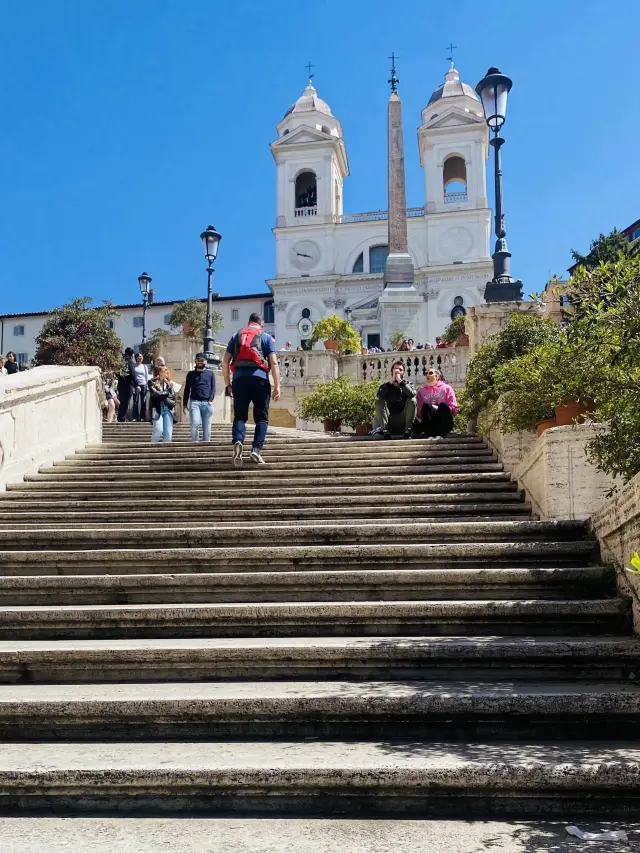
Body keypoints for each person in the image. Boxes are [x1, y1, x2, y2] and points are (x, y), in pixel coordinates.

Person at [222, 312, 281, 466]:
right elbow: (274, 363)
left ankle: (239, 441)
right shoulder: (266, 337)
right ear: (261, 324)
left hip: (239, 379)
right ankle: (256, 450)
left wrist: (228, 384)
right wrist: (277, 385)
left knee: (240, 416)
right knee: (261, 418)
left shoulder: (237, 335)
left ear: (248, 323)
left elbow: (225, 361)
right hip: (260, 379)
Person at [373, 360, 416, 439]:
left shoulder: (409, 384)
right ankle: (385, 432)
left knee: (412, 400)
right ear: (391, 371)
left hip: (404, 421)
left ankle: (408, 432)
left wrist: (400, 382)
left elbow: (412, 394)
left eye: (400, 370)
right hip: (389, 422)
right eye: (395, 369)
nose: (398, 371)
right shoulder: (385, 386)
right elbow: (379, 397)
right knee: (379, 402)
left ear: (404, 373)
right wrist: (391, 383)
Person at [415, 368, 458, 440]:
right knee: (426, 406)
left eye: (430, 373)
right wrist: (431, 408)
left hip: (444, 423)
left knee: (443, 405)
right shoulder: (421, 392)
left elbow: (454, 409)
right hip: (429, 424)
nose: (427, 375)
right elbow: (419, 414)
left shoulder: (447, 388)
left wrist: (438, 408)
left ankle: (440, 434)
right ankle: (430, 435)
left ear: (437, 376)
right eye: (426, 374)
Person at [183, 353, 215, 442]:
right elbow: (187, 389)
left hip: (207, 402)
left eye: (202, 360)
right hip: (195, 402)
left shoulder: (211, 373)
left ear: (206, 362)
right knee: (195, 423)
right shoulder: (190, 374)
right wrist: (184, 404)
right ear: (195, 361)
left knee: (207, 428)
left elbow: (213, 388)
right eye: (198, 360)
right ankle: (195, 444)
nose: (200, 362)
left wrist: (211, 399)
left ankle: (206, 446)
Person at [148, 362, 176, 443]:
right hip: (157, 409)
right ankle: (152, 448)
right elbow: (155, 394)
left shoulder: (169, 384)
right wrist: (166, 393)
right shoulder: (151, 382)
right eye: (165, 370)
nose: (167, 372)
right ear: (160, 372)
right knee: (158, 430)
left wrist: (165, 393)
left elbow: (173, 398)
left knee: (168, 435)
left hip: (168, 409)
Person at [117, 347, 137, 422]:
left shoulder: (121, 362)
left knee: (122, 402)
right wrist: (137, 385)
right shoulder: (130, 362)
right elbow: (133, 374)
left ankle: (120, 418)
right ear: (132, 355)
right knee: (125, 402)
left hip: (120, 385)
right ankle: (122, 418)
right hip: (128, 385)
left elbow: (117, 374)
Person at [132, 353, 149, 422]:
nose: (141, 358)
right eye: (139, 356)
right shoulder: (133, 366)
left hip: (143, 384)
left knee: (143, 401)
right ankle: (135, 417)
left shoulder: (144, 366)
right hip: (136, 385)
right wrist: (135, 385)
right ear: (136, 358)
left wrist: (146, 385)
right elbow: (133, 376)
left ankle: (142, 417)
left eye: (141, 356)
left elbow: (146, 376)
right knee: (135, 401)